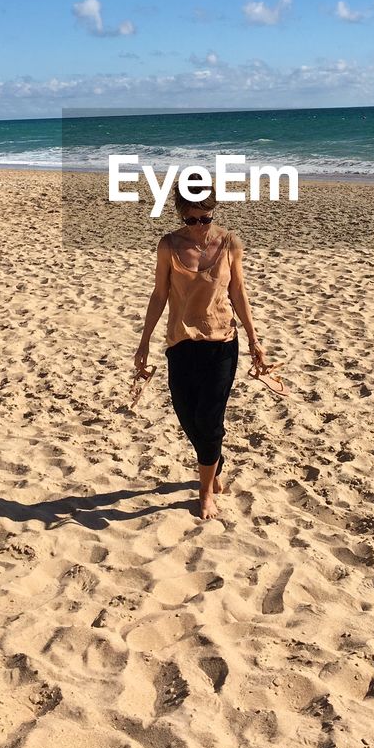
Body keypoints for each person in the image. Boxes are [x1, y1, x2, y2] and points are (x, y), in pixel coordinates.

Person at [133, 184, 276, 520]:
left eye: (205, 217)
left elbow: (239, 292)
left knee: (209, 422)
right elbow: (159, 295)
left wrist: (255, 339)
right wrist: (144, 341)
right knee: (188, 417)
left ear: (214, 210)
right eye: (191, 218)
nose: (199, 225)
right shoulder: (169, 245)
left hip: (222, 343)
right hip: (180, 343)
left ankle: (206, 492)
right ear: (181, 213)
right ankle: (216, 462)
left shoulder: (229, 243)